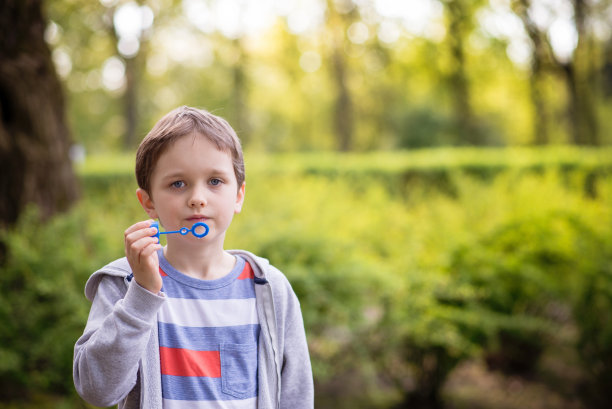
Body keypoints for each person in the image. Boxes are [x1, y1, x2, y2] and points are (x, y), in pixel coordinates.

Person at [73, 106, 314, 409]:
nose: (197, 197)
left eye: (215, 181)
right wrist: (142, 295)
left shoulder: (269, 288)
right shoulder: (125, 285)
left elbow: (296, 396)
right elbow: (97, 390)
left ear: (238, 195)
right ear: (148, 202)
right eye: (178, 184)